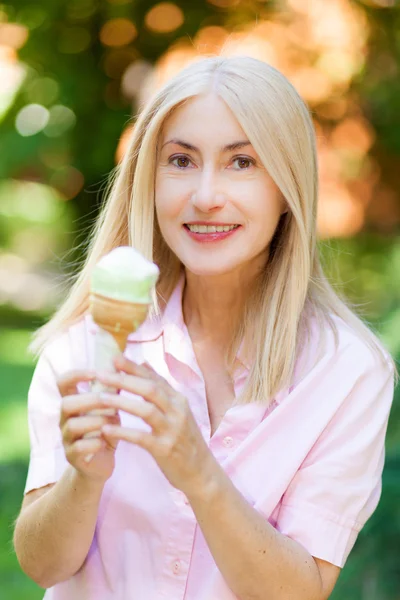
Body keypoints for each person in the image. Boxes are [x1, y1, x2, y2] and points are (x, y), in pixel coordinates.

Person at [13, 55, 395, 600]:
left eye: (242, 163)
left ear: (288, 188)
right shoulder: (85, 345)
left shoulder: (348, 372)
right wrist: (84, 476)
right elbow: (43, 566)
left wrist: (198, 472)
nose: (206, 195)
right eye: (181, 160)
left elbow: (300, 591)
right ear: (150, 179)